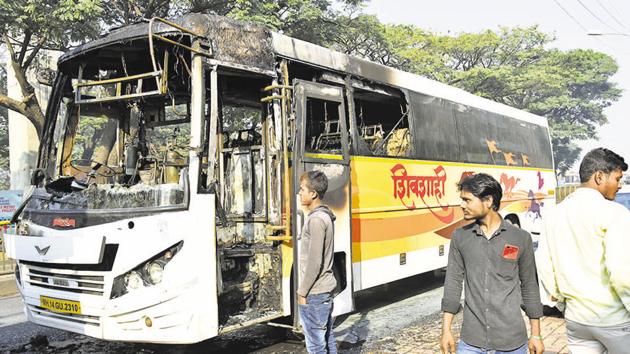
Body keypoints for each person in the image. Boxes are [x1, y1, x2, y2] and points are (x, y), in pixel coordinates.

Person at [536, 148, 630, 354]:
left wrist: (562, 303)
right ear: (599, 176)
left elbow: (544, 265)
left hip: (576, 321)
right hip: (614, 320)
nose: (620, 184)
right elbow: (622, 273)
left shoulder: (554, 214)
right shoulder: (614, 213)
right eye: (617, 178)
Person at [440, 173, 544, 354]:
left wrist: (536, 334)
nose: (461, 205)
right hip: (471, 343)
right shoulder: (460, 237)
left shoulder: (520, 238)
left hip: (511, 342)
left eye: (467, 200)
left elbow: (529, 286)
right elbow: (453, 284)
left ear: (488, 201)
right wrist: (446, 330)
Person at [297, 170, 338, 354]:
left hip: (316, 292)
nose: (299, 193)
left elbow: (314, 262)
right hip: (324, 290)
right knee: (327, 339)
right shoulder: (325, 216)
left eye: (302, 189)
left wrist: (302, 291)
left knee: (315, 345)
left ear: (313, 193)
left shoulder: (316, 220)